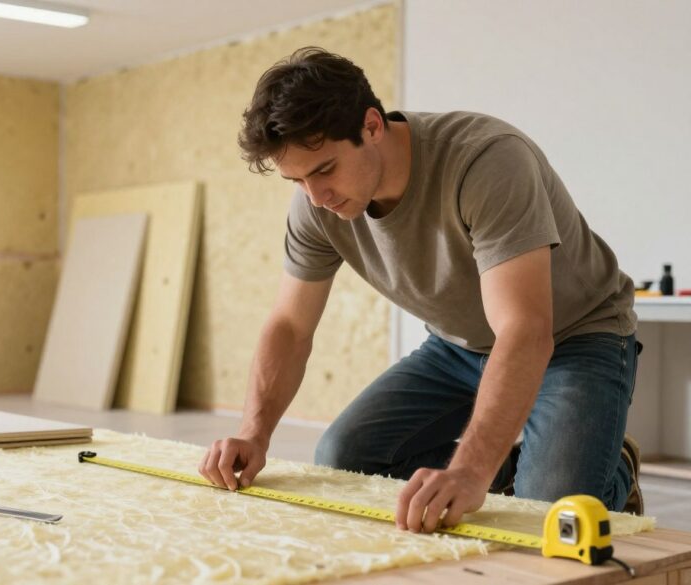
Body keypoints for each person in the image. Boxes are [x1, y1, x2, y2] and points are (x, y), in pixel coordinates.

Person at [198, 47, 642, 533]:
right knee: (344, 456)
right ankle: (517, 466)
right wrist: (253, 433)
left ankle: (611, 465)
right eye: (297, 179)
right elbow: (289, 325)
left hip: (575, 336)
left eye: (324, 170)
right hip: (456, 347)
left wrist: (471, 472)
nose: (316, 197)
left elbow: (525, 329)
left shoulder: (487, 160)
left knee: (549, 515)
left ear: (371, 125)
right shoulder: (315, 205)